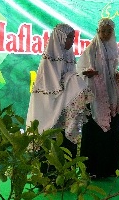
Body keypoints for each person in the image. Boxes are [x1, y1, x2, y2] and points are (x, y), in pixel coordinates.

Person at [26, 23, 93, 158]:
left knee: (66, 148)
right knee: (49, 145)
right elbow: (54, 88)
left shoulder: (69, 55)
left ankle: (67, 177)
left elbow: (69, 81)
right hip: (48, 108)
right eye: (69, 37)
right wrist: (73, 79)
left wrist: (79, 77)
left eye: (73, 38)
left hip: (63, 109)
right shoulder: (49, 60)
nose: (71, 41)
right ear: (60, 38)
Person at [77, 18, 119, 178]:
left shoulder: (113, 49)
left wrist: (117, 77)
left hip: (111, 95)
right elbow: (80, 70)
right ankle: (92, 169)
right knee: (95, 132)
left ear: (113, 33)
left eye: (109, 31)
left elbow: (113, 70)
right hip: (96, 97)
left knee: (111, 131)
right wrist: (87, 74)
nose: (105, 34)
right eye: (103, 31)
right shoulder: (91, 49)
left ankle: (109, 168)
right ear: (98, 32)